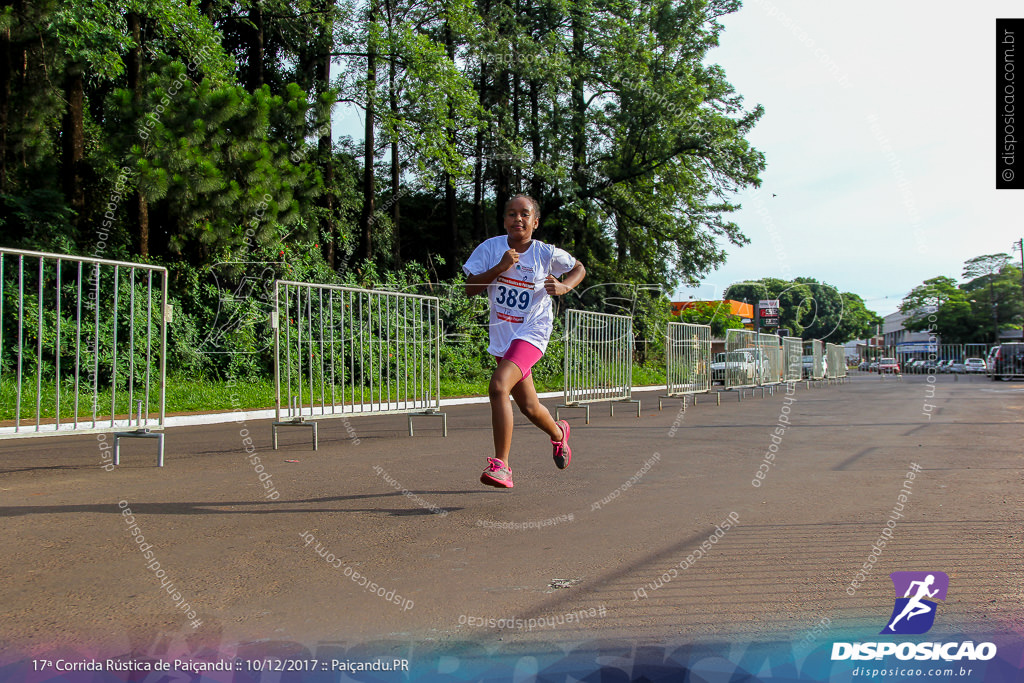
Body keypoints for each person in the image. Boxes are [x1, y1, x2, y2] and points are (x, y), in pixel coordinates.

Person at [463, 194, 586, 488]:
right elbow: (469, 289)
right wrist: (499, 268)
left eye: (524, 214)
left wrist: (564, 285)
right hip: (503, 335)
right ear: (504, 220)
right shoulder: (491, 249)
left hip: (532, 332)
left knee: (498, 386)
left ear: (535, 221)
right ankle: (558, 434)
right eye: (511, 214)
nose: (517, 218)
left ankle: (501, 465)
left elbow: (579, 267)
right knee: (529, 408)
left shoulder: (545, 253)